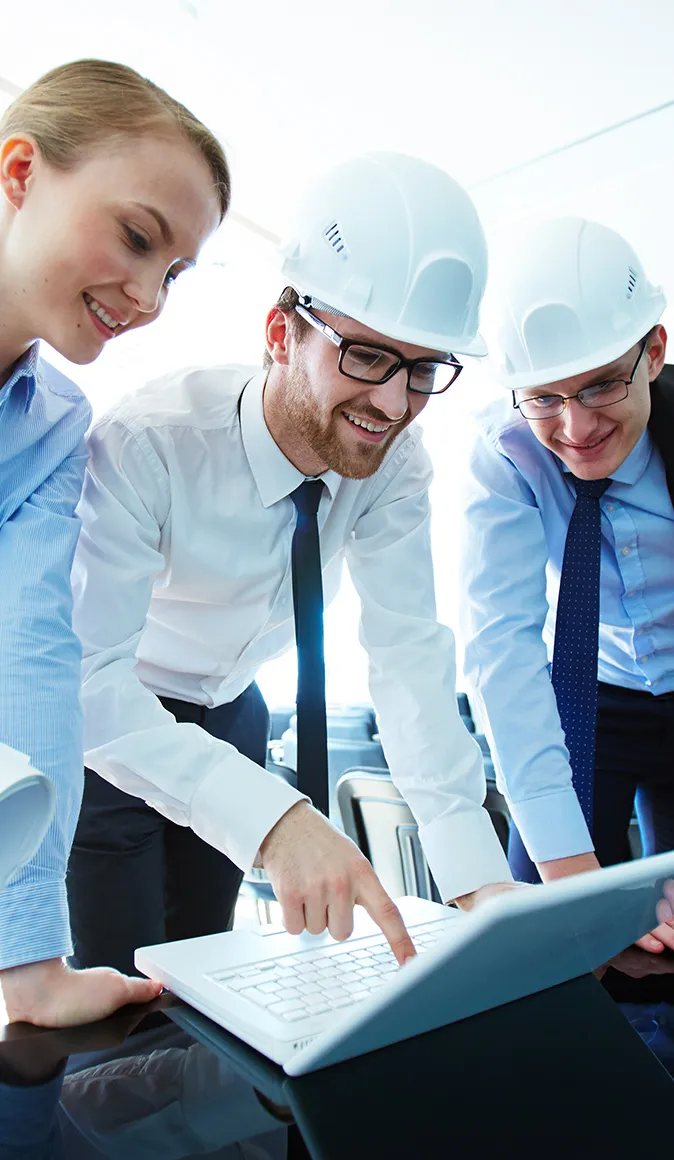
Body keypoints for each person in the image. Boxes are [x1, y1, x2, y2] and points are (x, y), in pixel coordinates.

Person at [67, 152, 517, 979]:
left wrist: (479, 884)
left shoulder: (397, 461)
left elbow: (410, 656)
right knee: (126, 987)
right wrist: (272, 819)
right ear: (282, 334)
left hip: (236, 709)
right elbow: (87, 676)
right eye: (368, 356)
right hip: (116, 726)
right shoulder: (150, 443)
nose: (394, 403)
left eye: (423, 369)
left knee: (209, 968)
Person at [0, 58, 230, 1027]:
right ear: (19, 172)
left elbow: (35, 657)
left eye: (173, 269)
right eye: (137, 237)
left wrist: (30, 962)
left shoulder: (54, 423)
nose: (148, 294)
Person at [460, 216, 674, 1077]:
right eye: (544, 397)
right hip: (589, 696)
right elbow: (501, 649)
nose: (573, 426)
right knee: (546, 939)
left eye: (600, 386)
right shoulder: (507, 458)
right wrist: (572, 886)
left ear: (654, 350)